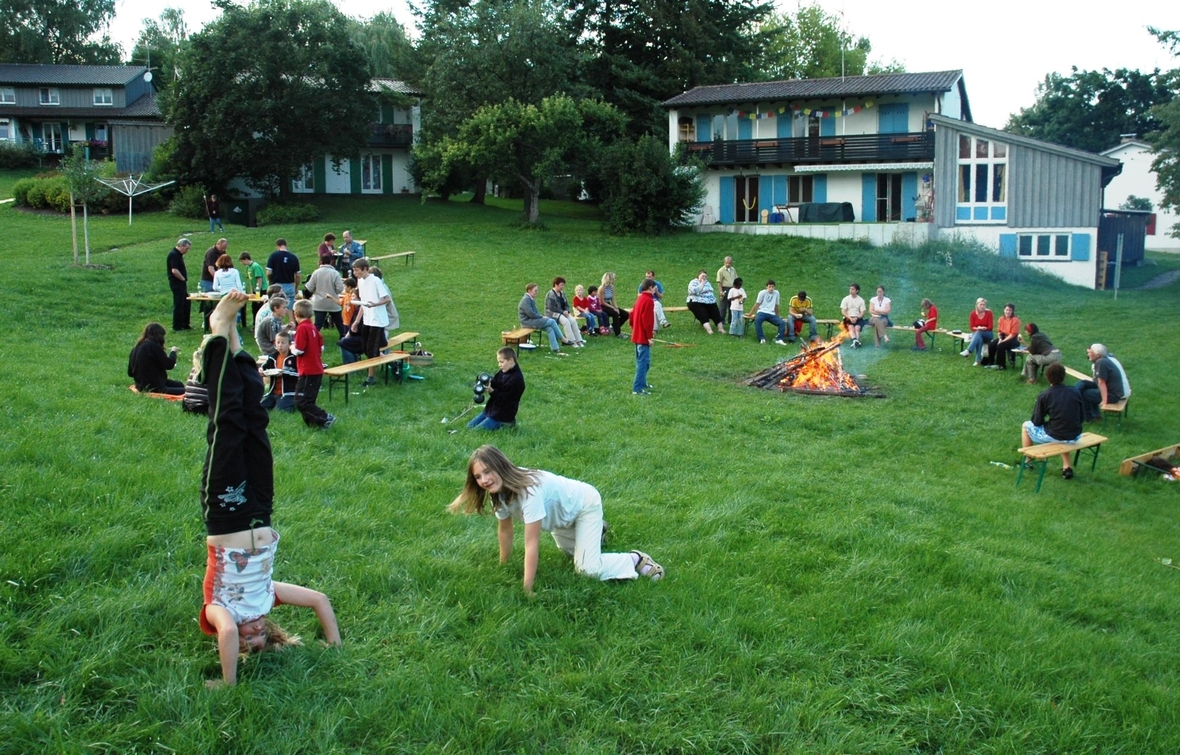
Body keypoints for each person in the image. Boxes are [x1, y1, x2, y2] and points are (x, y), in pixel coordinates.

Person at [197, 292, 340, 687]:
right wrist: (334, 645)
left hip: (226, 513)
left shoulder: (219, 612)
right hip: (260, 508)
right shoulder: (267, 596)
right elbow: (319, 601)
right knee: (256, 422)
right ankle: (236, 343)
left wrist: (228, 683)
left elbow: (225, 633)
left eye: (250, 640)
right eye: (264, 636)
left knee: (227, 425)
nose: (254, 631)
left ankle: (216, 332)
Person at [447, 445, 664, 595]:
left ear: (500, 466)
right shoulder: (499, 494)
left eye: (487, 472)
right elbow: (505, 530)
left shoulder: (528, 491)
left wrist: (527, 588)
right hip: (561, 521)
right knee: (571, 553)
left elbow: (532, 543)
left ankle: (635, 559)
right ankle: (597, 532)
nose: (484, 480)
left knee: (586, 569)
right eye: (478, 476)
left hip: (584, 505)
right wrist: (503, 564)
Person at [1021, 363, 1085, 480]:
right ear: (1064, 376)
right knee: (1061, 431)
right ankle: (1067, 468)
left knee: (1026, 426)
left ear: (1047, 377)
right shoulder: (1075, 391)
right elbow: (1082, 416)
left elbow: (1036, 421)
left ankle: (1028, 461)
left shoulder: (1045, 395)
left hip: (1058, 434)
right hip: (1075, 434)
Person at [290, 300, 335, 429]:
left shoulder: (302, 328)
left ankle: (325, 418)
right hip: (316, 369)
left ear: (296, 314)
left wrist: (292, 346)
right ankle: (312, 424)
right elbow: (321, 346)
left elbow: (299, 349)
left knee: (301, 401)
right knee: (308, 399)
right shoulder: (313, 327)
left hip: (307, 370)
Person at [351, 258, 392, 386]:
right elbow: (363, 303)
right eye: (354, 270)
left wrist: (375, 304)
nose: (355, 273)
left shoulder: (375, 281)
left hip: (377, 320)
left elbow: (387, 299)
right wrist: (357, 321)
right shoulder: (360, 281)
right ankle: (388, 360)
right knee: (364, 347)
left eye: (357, 270)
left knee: (371, 349)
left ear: (364, 269)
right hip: (367, 319)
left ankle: (371, 378)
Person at [468, 347, 526, 430]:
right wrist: (487, 382)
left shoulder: (516, 380)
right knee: (469, 427)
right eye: (498, 362)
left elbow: (505, 401)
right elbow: (496, 382)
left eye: (501, 362)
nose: (499, 365)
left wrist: (492, 391)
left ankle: (508, 424)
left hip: (503, 415)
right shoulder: (504, 370)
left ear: (511, 360)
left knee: (475, 431)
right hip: (492, 410)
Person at [1076, 344, 1130, 422]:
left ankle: (1088, 418)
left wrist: (1104, 401)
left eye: (1090, 353)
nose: (1088, 355)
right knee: (1085, 386)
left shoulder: (1101, 362)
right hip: (1115, 392)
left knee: (1085, 394)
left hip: (1114, 396)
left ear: (1097, 355)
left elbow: (1101, 382)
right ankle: (1094, 415)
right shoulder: (1105, 360)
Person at [128, 322, 184, 395]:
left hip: (140, 385)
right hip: (155, 387)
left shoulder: (135, 348)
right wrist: (173, 352)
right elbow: (169, 365)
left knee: (179, 384)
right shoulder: (153, 347)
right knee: (186, 391)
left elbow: (130, 373)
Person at [305, 252, 346, 337]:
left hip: (319, 303)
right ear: (330, 261)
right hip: (333, 303)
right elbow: (340, 289)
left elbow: (309, 287)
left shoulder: (316, 272)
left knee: (317, 325)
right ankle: (344, 339)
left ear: (320, 261)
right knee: (340, 324)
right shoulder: (335, 273)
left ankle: (313, 340)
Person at [519, 283, 564, 353]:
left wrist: (541, 317)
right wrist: (541, 317)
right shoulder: (526, 300)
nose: (537, 292)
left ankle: (555, 348)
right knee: (551, 321)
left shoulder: (530, 299)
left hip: (532, 320)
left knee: (550, 328)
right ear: (529, 291)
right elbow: (530, 314)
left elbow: (534, 313)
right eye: (535, 291)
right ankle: (562, 338)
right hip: (527, 322)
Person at [260, 332, 298, 412]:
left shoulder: (294, 359)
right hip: (274, 392)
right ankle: (275, 401)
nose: (280, 345)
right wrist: (261, 370)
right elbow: (264, 366)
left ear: (289, 344)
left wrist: (284, 373)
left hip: (288, 392)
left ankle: (290, 403)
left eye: (283, 342)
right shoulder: (272, 357)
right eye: (278, 342)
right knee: (261, 407)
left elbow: (299, 375)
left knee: (281, 410)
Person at [631, 278, 657, 394]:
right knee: (642, 362)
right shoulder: (649, 300)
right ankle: (637, 389)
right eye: (655, 287)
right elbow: (648, 321)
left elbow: (631, 316)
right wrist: (649, 337)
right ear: (650, 287)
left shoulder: (640, 298)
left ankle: (642, 383)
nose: (656, 289)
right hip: (643, 338)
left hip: (637, 335)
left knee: (644, 363)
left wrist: (635, 328)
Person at [546, 277, 584, 347]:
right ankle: (571, 341)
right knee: (566, 322)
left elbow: (566, 304)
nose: (562, 287)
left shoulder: (562, 293)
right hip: (553, 314)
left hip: (563, 313)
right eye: (561, 285)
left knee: (573, 321)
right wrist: (562, 312)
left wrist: (567, 310)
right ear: (556, 285)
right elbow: (552, 308)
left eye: (563, 285)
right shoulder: (550, 294)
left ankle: (579, 340)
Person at [686, 270, 725, 334]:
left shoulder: (707, 283)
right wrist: (702, 284)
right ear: (698, 276)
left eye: (705, 276)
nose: (704, 277)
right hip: (696, 301)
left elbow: (711, 291)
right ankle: (709, 330)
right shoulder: (693, 282)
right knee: (702, 314)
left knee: (715, 312)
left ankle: (720, 328)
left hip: (709, 301)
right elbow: (694, 291)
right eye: (702, 276)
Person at [751, 280, 788, 345]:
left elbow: (776, 305)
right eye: (769, 287)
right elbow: (757, 304)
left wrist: (777, 316)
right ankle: (762, 338)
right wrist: (750, 313)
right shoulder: (762, 293)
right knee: (757, 320)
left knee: (781, 323)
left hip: (771, 313)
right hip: (762, 311)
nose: (771, 288)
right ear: (766, 287)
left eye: (772, 287)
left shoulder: (776, 293)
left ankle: (779, 339)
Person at [167, 238, 192, 331]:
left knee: (186, 302)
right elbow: (174, 270)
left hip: (180, 283)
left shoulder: (178, 255)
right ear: (181, 246)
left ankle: (185, 323)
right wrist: (183, 279)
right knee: (179, 304)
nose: (187, 251)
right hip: (177, 283)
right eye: (186, 248)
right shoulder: (174, 255)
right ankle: (177, 325)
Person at [986, 303, 1021, 370]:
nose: (1008, 312)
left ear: (1012, 311)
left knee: (1000, 346)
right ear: (1004, 310)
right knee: (991, 345)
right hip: (1003, 336)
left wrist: (1003, 341)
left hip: (1013, 339)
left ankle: (1001, 365)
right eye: (1007, 310)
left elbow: (1013, 334)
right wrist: (1000, 339)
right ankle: (991, 362)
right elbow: (999, 331)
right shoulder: (1001, 319)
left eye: (1010, 310)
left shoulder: (1015, 320)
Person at [266, 239, 302, 303]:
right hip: (289, 286)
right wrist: (296, 287)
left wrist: (270, 282)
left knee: (276, 308)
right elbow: (298, 275)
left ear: (277, 246)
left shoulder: (273, 256)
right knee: (290, 309)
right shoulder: (293, 257)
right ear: (285, 245)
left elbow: (269, 273)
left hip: (276, 287)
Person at [961, 297, 994, 366]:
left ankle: (969, 350)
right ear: (977, 305)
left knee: (979, 332)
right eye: (981, 304)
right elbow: (971, 327)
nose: (982, 306)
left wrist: (983, 328)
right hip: (978, 334)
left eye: (984, 305)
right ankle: (978, 360)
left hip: (988, 334)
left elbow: (990, 327)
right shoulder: (973, 314)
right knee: (979, 338)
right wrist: (978, 328)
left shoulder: (989, 313)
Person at [238, 252, 266, 327]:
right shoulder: (248, 267)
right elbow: (251, 280)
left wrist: (258, 292)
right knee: (254, 308)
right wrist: (251, 292)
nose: (242, 263)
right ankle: (255, 324)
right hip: (255, 290)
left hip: (261, 289)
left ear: (246, 259)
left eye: (242, 261)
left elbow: (259, 279)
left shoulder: (255, 266)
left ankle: (260, 325)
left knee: (259, 307)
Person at [598, 272, 630, 337]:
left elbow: (613, 299)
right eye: (614, 278)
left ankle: (613, 327)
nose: (615, 280)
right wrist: (613, 308)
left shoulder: (612, 287)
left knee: (626, 314)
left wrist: (616, 308)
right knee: (615, 313)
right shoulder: (602, 288)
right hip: (602, 306)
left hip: (608, 304)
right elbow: (602, 302)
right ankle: (618, 333)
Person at [840, 283, 867, 348]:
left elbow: (862, 312)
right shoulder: (846, 299)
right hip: (848, 317)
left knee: (857, 328)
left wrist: (857, 318)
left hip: (858, 317)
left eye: (852, 289)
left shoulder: (861, 300)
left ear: (857, 291)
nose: (850, 290)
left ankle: (855, 341)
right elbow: (843, 311)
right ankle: (856, 341)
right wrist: (850, 318)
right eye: (850, 289)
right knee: (851, 327)